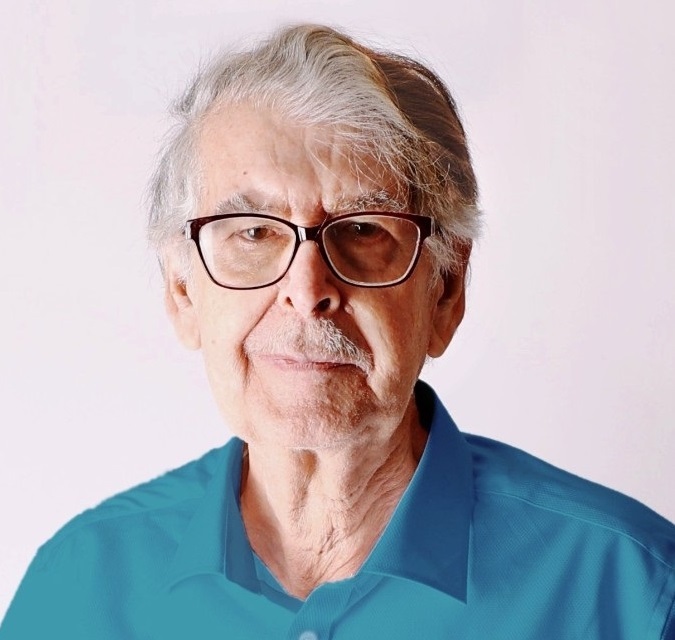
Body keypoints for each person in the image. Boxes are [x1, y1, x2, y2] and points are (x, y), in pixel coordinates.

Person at [1, 23, 673, 640]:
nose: (307, 290)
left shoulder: (633, 593)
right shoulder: (77, 591)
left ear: (445, 290)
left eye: (363, 230)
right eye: (253, 233)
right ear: (182, 291)